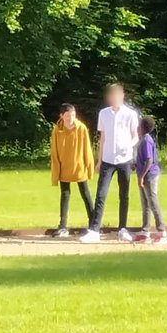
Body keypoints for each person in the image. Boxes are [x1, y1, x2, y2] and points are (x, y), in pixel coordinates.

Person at [81, 83, 140, 243]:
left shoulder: (130, 114)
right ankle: (94, 230)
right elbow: (103, 138)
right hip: (107, 159)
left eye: (117, 95)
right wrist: (99, 160)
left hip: (124, 159)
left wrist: (129, 145)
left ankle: (123, 228)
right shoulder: (104, 113)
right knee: (101, 194)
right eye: (111, 95)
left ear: (122, 95)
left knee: (124, 195)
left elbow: (135, 136)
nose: (114, 98)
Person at [50, 103, 93, 238]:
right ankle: (63, 226)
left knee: (85, 194)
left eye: (73, 115)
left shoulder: (81, 128)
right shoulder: (57, 130)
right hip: (64, 168)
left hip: (79, 167)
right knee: (65, 195)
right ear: (61, 116)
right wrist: (56, 171)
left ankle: (94, 224)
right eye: (68, 116)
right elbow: (54, 152)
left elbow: (87, 149)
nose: (71, 119)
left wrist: (89, 167)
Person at [134, 116, 167, 244]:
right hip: (144, 174)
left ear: (142, 127)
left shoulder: (146, 140)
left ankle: (162, 231)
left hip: (150, 175)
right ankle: (145, 229)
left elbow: (149, 160)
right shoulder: (143, 139)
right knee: (145, 203)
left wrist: (141, 176)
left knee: (152, 202)